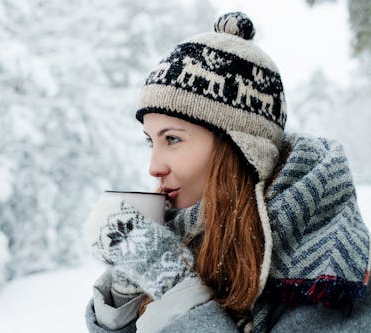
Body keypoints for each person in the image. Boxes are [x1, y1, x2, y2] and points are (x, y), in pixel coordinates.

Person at [83, 12, 371, 333]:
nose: (154, 166)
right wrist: (129, 286)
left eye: (173, 139)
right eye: (151, 141)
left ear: (240, 147)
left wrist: (173, 286)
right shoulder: (189, 234)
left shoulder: (330, 271)